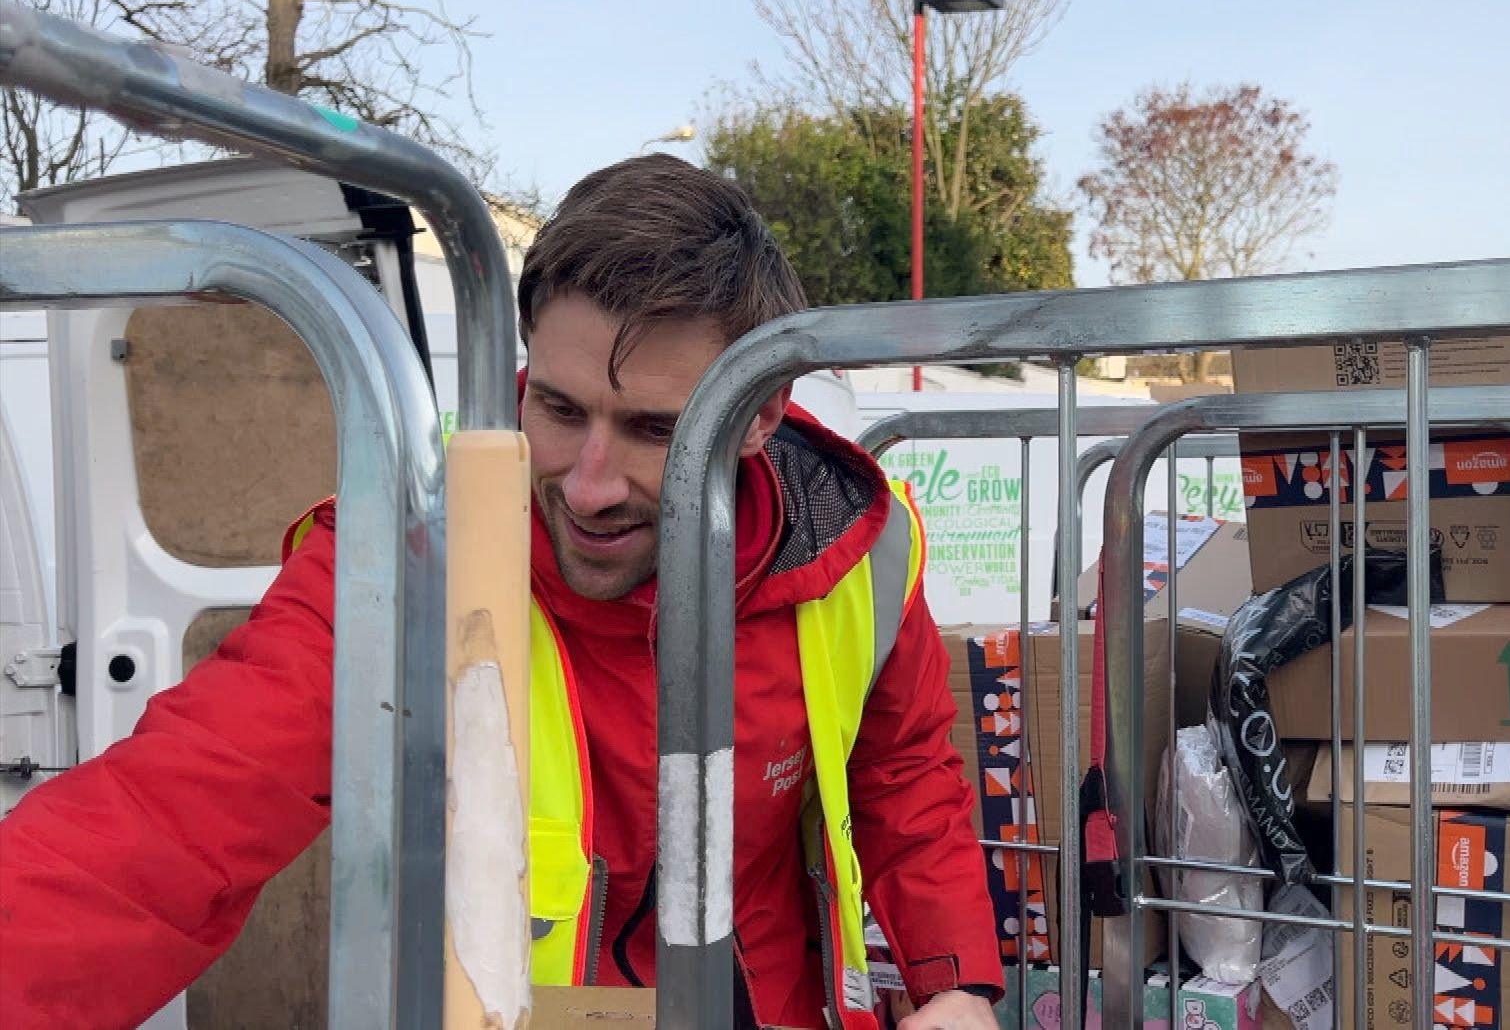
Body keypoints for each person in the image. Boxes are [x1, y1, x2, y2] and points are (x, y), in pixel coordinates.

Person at [0, 156, 1001, 1029]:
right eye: (559, 408)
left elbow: (905, 775)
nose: (591, 482)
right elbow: (170, 819)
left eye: (660, 431)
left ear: (762, 415)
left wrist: (958, 983)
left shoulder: (863, 551)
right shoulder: (410, 551)